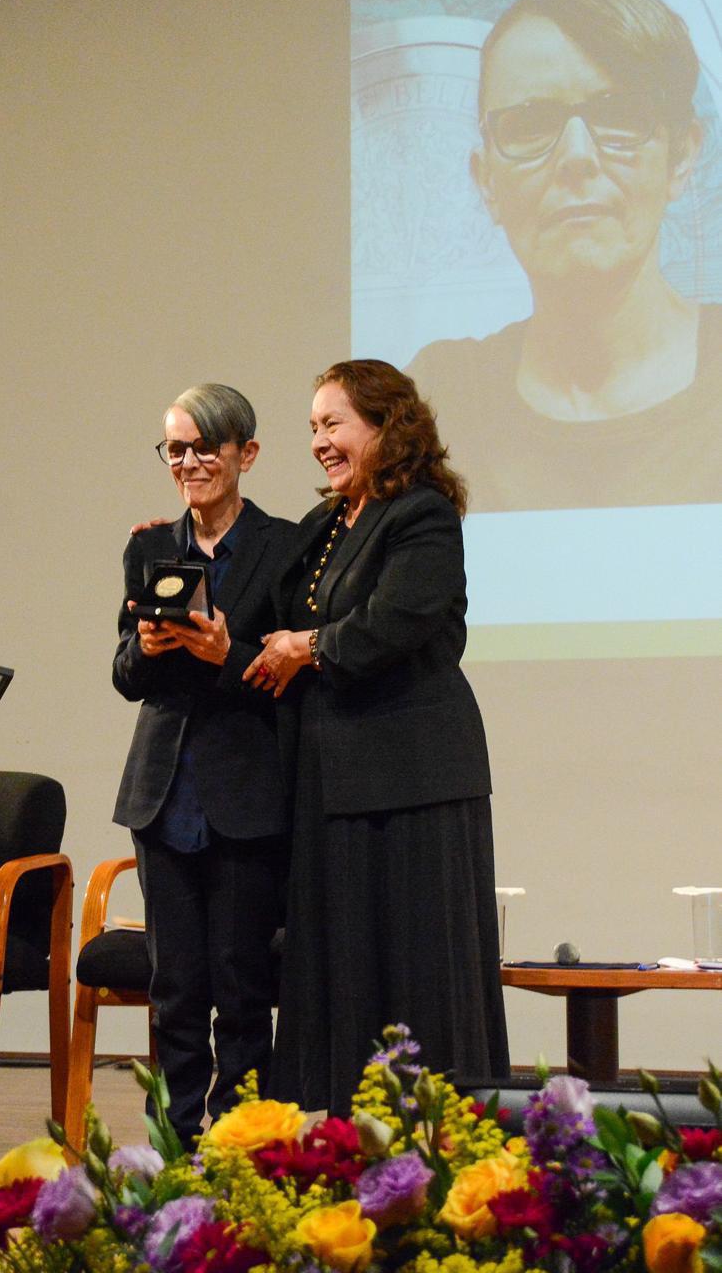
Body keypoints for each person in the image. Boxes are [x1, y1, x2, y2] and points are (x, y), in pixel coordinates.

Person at [246, 359, 508, 1115]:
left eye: (333, 424)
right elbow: (262, 597)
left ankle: (428, 1128)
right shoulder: (326, 524)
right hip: (331, 779)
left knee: (416, 961)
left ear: (383, 427)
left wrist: (309, 646)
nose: (319, 442)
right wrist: (187, 536)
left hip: (413, 777)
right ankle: (339, 1127)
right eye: (312, 428)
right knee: (338, 965)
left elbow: (397, 620)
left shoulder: (419, 513)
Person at [408, 0, 721, 510]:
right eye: (531, 125)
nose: (577, 157)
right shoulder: (440, 397)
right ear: (486, 182)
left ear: (682, 155)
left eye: (619, 115)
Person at [112, 384, 296, 1146]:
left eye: (204, 448)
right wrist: (146, 649)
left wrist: (229, 657)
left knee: (242, 987)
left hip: (248, 794)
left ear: (244, 454)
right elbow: (124, 676)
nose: (188, 464)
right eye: (175, 449)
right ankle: (172, 1137)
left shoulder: (287, 547)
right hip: (162, 796)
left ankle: (240, 1140)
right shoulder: (149, 547)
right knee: (175, 989)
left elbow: (294, 677)